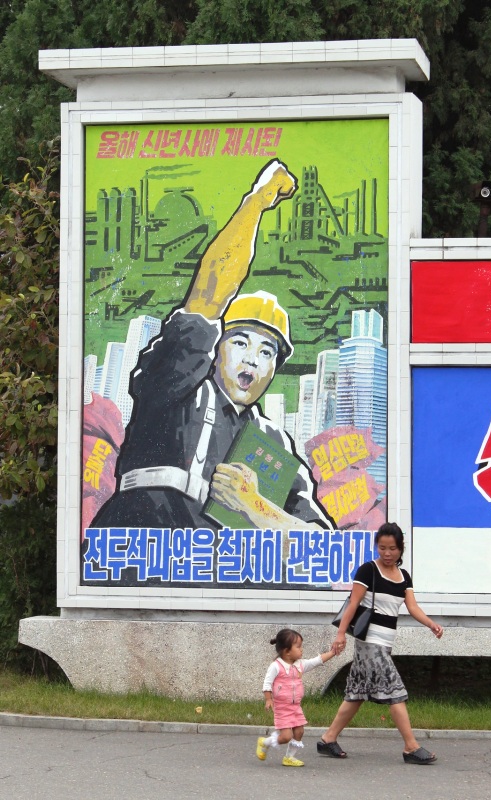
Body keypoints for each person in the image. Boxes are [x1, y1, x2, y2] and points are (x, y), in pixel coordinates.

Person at [91, 159, 333, 536]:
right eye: (240, 341)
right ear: (215, 346)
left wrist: (255, 506)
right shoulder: (176, 387)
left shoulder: (270, 442)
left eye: (268, 351)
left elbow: (318, 542)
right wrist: (257, 202)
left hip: (216, 579)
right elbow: (207, 297)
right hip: (137, 559)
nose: (253, 358)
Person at [318, 522, 444, 765]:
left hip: (385, 644)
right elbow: (353, 604)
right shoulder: (368, 570)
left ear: (400, 549)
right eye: (382, 548)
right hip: (369, 642)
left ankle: (327, 739)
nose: (387, 553)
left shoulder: (404, 577)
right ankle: (411, 747)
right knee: (395, 692)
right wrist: (341, 634)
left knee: (356, 694)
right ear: (377, 546)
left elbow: (412, 607)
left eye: (393, 549)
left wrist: (431, 624)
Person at [257, 628, 337, 767]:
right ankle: (264, 742)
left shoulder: (300, 665)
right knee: (286, 737)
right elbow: (267, 683)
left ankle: (289, 758)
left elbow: (317, 661)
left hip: (295, 707)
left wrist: (333, 653)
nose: (302, 650)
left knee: (299, 732)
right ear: (287, 651)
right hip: (282, 708)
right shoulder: (276, 666)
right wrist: (269, 699)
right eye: (298, 647)